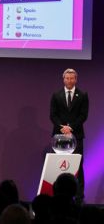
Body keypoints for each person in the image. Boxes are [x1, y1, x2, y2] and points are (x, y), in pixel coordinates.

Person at [50, 68, 88, 202]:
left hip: (76, 136)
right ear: (63, 79)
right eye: (67, 78)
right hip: (59, 137)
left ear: (76, 79)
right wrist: (63, 128)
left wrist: (70, 127)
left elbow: (83, 116)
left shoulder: (82, 95)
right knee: (59, 164)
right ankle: (57, 194)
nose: (69, 80)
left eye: (72, 78)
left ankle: (79, 197)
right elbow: (53, 115)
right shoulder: (56, 95)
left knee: (78, 165)